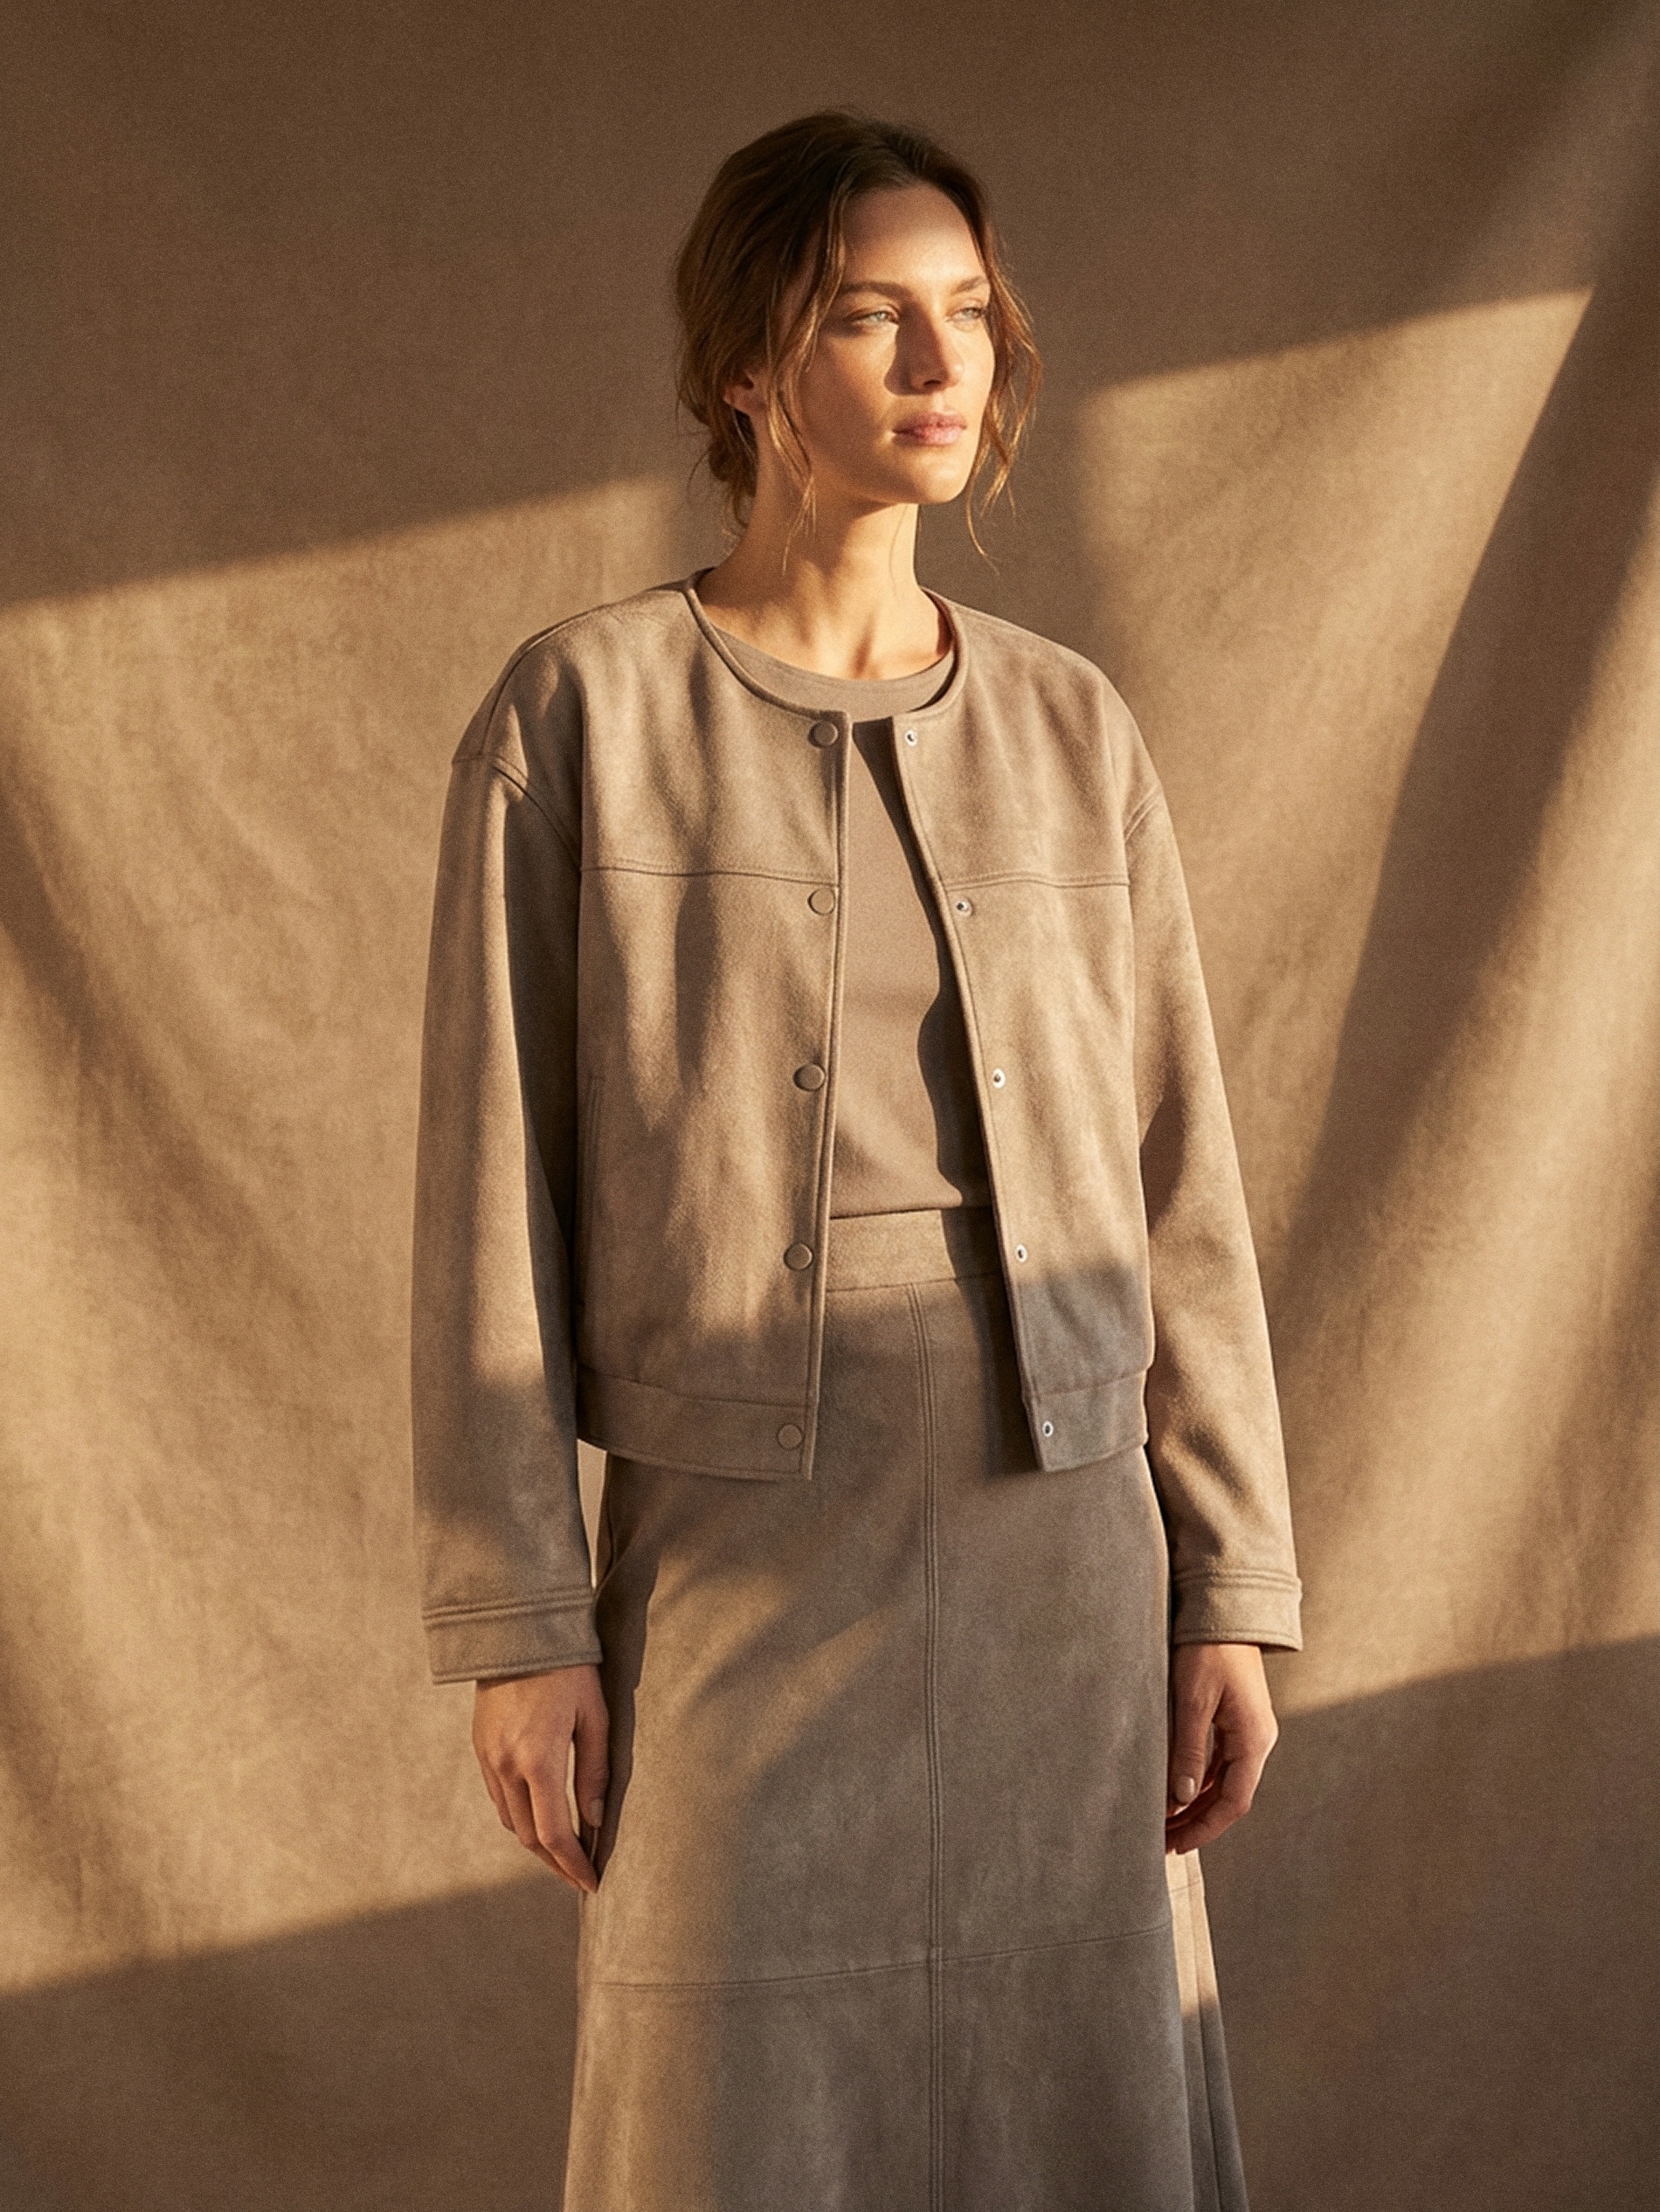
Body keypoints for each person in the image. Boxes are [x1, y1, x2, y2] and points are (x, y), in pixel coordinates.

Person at [412, 109, 1301, 2212]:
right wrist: (521, 1619)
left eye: (965, 314)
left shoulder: (1072, 730)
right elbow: (486, 1200)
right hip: (735, 1542)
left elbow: (1177, 1175)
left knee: (1074, 2097)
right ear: (743, 362)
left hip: (1062, 1536)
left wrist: (1229, 1584)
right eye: (865, 316)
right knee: (725, 2112)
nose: (935, 362)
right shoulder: (578, 719)